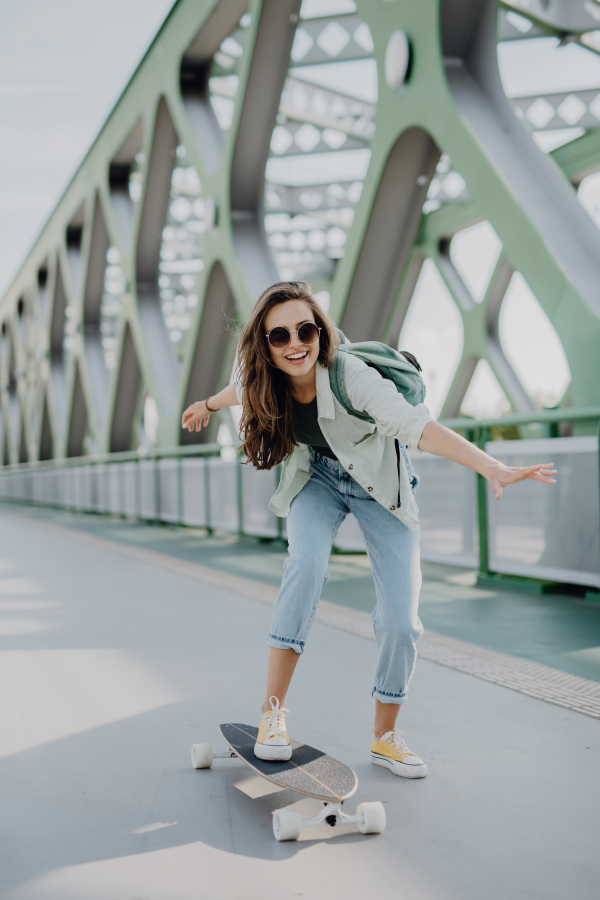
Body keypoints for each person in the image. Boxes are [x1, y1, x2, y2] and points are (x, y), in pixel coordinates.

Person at [181, 281, 556, 779]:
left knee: (401, 620)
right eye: (279, 336)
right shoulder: (262, 380)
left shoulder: (349, 375)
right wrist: (207, 405)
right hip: (314, 479)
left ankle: (385, 737)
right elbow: (240, 390)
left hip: (381, 484)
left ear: (320, 331)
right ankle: (272, 716)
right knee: (305, 565)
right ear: (264, 346)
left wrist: (490, 466)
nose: (295, 344)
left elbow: (415, 425)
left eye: (306, 329)